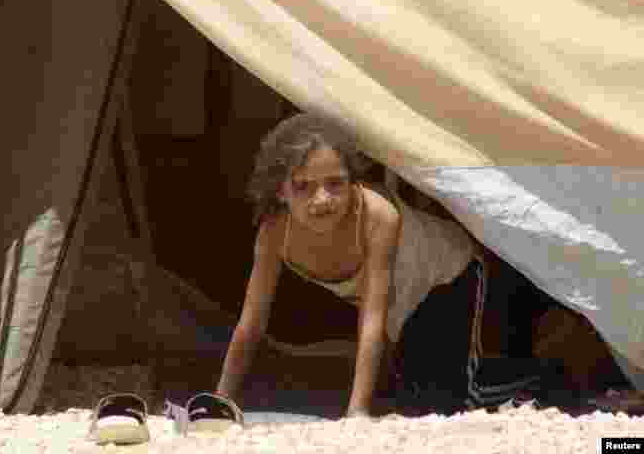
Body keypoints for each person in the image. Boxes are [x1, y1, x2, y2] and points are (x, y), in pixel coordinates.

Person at [215, 113, 547, 417]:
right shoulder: (276, 231)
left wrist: (357, 413)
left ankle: (540, 380)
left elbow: (371, 320)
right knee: (414, 398)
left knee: (452, 401)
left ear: (353, 182)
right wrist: (221, 400)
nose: (322, 199)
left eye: (335, 183)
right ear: (280, 192)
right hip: (399, 305)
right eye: (303, 186)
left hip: (447, 278)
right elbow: (251, 323)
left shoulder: (376, 217)